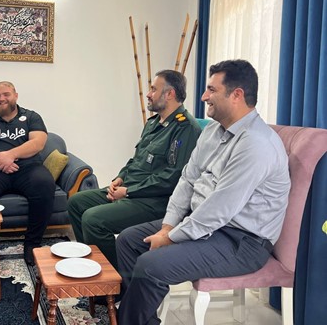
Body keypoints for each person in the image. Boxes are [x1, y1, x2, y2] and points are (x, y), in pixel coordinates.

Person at [116, 60, 291, 325]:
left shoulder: (256, 144)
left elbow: (220, 208)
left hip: (241, 241)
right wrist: (168, 226)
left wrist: (170, 238)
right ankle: (140, 318)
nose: (203, 96)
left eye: (211, 89)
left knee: (151, 265)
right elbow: (188, 179)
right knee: (128, 240)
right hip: (205, 223)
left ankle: (128, 318)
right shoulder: (212, 131)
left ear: (236, 95)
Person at [68, 70, 201, 269]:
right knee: (76, 203)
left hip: (154, 200)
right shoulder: (153, 123)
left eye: (153, 89)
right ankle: (92, 264)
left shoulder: (185, 128)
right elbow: (136, 159)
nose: (148, 94)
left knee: (93, 219)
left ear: (170, 94)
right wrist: (120, 178)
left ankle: (116, 278)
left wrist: (128, 192)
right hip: (131, 189)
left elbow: (173, 177)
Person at [0, 81, 55, 265]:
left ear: (15, 95)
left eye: (6, 94)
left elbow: (38, 142)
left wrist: (11, 155)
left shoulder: (31, 117)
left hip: (28, 168)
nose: (1, 99)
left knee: (44, 182)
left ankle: (32, 244)